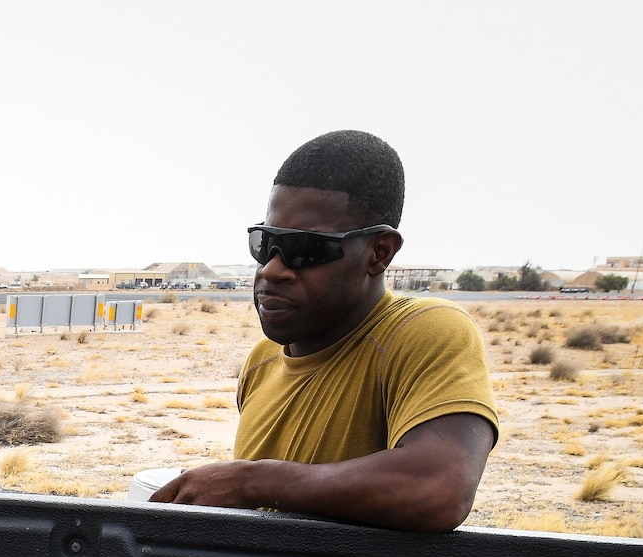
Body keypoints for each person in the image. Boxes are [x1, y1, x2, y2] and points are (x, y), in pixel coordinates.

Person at [153, 130, 497, 532]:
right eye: (266, 244)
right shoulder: (262, 361)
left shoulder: (422, 332)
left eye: (306, 249)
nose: (272, 269)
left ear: (379, 252)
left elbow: (440, 488)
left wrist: (252, 481)